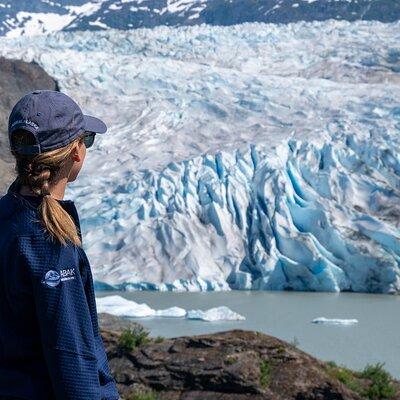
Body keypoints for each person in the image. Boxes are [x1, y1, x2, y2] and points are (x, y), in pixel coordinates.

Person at [0, 90, 119, 399]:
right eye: (87, 140)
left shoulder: (5, 218)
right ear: (76, 153)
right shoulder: (48, 240)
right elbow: (71, 358)